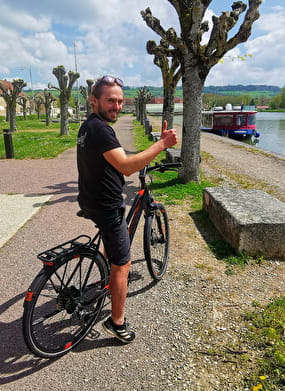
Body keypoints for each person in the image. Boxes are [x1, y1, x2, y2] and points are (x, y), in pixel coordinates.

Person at [76, 75, 177, 343]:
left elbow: (109, 161)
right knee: (122, 263)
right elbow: (126, 166)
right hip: (106, 205)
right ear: (94, 100)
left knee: (113, 247)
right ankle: (116, 323)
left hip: (89, 199)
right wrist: (161, 144)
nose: (117, 106)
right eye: (111, 100)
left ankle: (110, 276)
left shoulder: (87, 126)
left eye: (120, 101)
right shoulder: (100, 129)